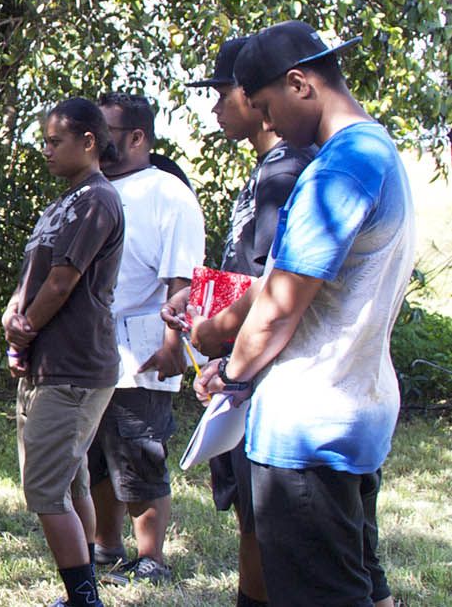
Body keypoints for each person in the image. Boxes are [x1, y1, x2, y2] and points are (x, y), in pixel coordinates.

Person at [194, 20, 414, 607]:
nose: (265, 123)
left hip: (308, 427)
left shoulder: (340, 167)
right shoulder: (378, 148)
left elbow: (278, 307)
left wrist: (231, 377)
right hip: (355, 409)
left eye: (266, 107)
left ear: (300, 84)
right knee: (357, 586)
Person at [169, 34, 314, 607]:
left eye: (221, 92)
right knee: (253, 518)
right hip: (244, 363)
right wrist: (202, 301)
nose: (215, 108)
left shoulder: (286, 170)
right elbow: (248, 268)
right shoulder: (267, 168)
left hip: (271, 377)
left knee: (277, 527)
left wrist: (222, 342)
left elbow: (279, 284)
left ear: (253, 95)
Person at [3, 98, 125, 607]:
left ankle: (84, 599)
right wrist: (13, 315)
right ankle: (83, 590)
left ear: (88, 142)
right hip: (47, 364)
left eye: (56, 141)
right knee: (69, 480)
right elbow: (34, 276)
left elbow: (62, 281)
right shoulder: (63, 203)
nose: (46, 150)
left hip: (75, 366)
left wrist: (26, 329)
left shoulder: (97, 200)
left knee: (46, 490)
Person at [83, 93, 205, 584]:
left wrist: (176, 344)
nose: (97, 140)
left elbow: (184, 276)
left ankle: (152, 556)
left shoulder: (167, 192)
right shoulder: (92, 187)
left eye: (107, 130)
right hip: (91, 347)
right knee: (95, 456)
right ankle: (106, 546)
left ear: (137, 137)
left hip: (146, 343)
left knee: (139, 452)